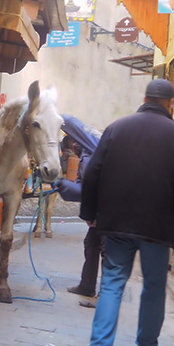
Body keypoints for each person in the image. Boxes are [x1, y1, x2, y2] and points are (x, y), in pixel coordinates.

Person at [78, 79, 174, 346]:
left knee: (112, 283)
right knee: (154, 286)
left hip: (117, 222)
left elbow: (92, 173)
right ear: (170, 103)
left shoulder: (117, 128)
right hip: (158, 228)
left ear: (144, 97)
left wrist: (91, 214)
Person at [52, 116, 102, 300]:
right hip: (99, 210)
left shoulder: (91, 150)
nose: (73, 150)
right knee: (92, 244)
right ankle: (87, 286)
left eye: (71, 147)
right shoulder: (87, 154)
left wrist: (55, 113)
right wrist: (66, 186)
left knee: (105, 250)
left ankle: (105, 297)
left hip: (106, 210)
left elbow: (89, 188)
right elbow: (82, 188)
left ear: (74, 140)